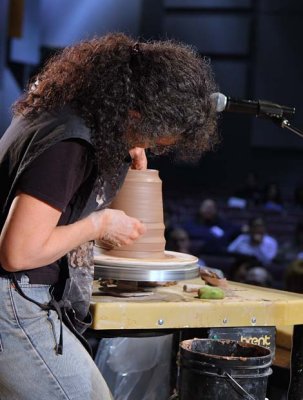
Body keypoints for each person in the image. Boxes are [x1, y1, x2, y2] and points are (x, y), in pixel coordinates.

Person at [0, 33, 218, 399]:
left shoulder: (63, 112)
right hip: (12, 301)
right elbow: (17, 252)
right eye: (153, 137)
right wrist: (99, 224)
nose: (149, 147)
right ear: (134, 113)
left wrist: (122, 159)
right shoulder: (70, 144)